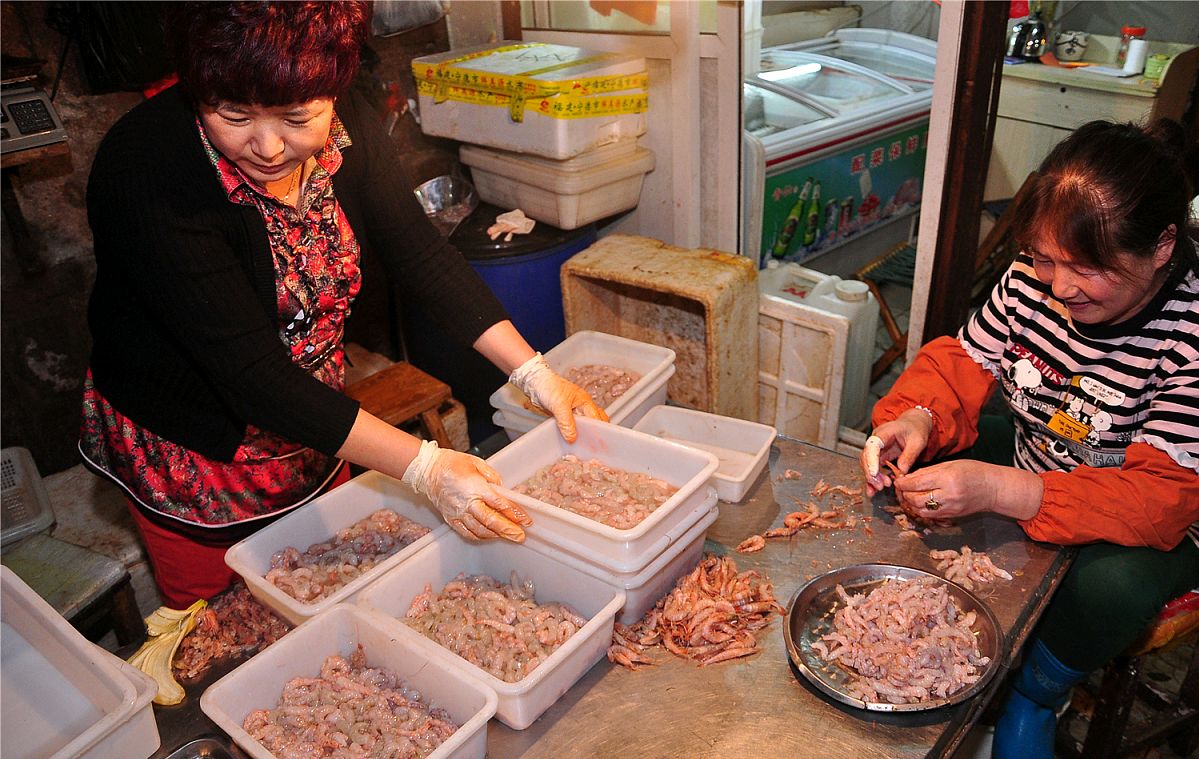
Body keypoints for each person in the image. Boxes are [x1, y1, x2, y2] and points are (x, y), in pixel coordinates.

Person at [79, 1, 605, 609]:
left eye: (296, 117)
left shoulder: (345, 118)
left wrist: (534, 373)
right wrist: (426, 468)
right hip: (195, 438)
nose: (268, 146)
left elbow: (421, 256)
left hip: (318, 415)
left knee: (339, 584)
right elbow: (252, 376)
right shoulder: (145, 168)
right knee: (222, 617)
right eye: (234, 115)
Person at [859, 119, 1199, 759]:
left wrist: (1001, 489)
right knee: (921, 463)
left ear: (1161, 247)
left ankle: (1037, 690)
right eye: (1046, 258)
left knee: (1109, 590)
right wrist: (919, 417)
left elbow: (1160, 500)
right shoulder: (1030, 279)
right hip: (1040, 452)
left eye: (1089, 268)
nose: (1060, 288)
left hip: (1155, 516)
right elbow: (964, 365)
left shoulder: (1190, 336)